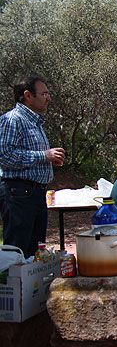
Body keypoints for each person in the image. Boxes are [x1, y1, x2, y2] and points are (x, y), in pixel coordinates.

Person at [0, 76, 65, 258]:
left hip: (36, 194)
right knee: (18, 251)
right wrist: (44, 156)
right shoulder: (13, 120)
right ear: (28, 95)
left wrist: (48, 160)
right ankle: (13, 286)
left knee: (35, 251)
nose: (48, 98)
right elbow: (4, 156)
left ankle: (31, 286)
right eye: (44, 93)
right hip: (19, 193)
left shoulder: (34, 123)